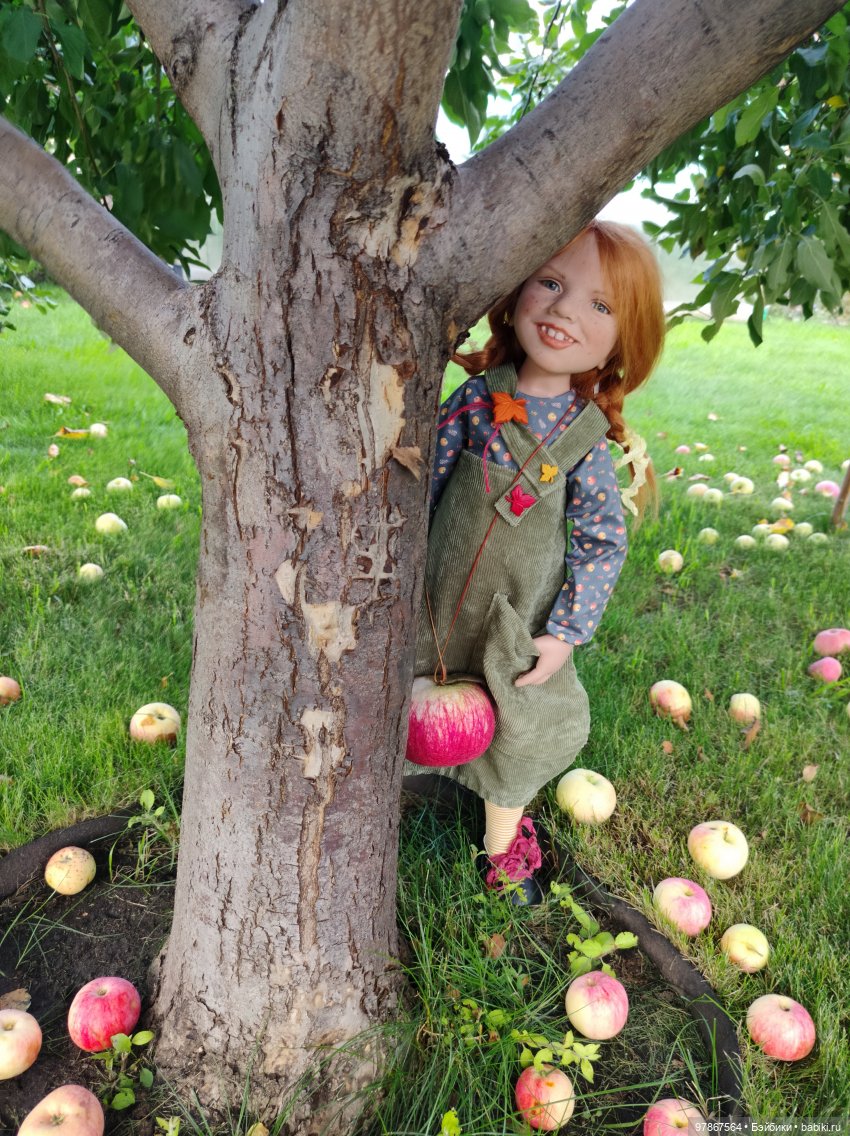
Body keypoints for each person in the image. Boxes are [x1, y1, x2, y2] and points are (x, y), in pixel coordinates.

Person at [403, 219, 666, 903]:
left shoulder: (585, 442)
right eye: (551, 282)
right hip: (433, 603)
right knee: (397, 701)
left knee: (519, 734)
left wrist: (565, 633)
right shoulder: (476, 402)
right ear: (517, 291)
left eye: (599, 305)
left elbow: (601, 540)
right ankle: (389, 804)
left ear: (620, 342)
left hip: (513, 626)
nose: (563, 308)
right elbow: (421, 486)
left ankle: (500, 847)